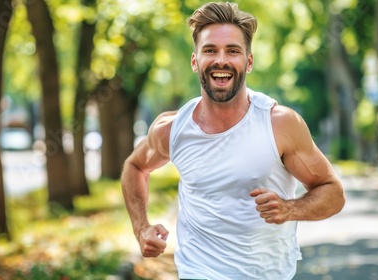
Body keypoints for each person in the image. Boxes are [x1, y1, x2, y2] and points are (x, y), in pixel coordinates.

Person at [121, 2, 345, 279]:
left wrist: (290, 209)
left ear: (248, 62)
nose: (221, 60)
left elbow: (333, 192)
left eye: (233, 51)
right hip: (197, 271)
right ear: (195, 61)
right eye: (210, 50)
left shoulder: (279, 124)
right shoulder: (172, 129)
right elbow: (135, 167)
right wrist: (141, 228)